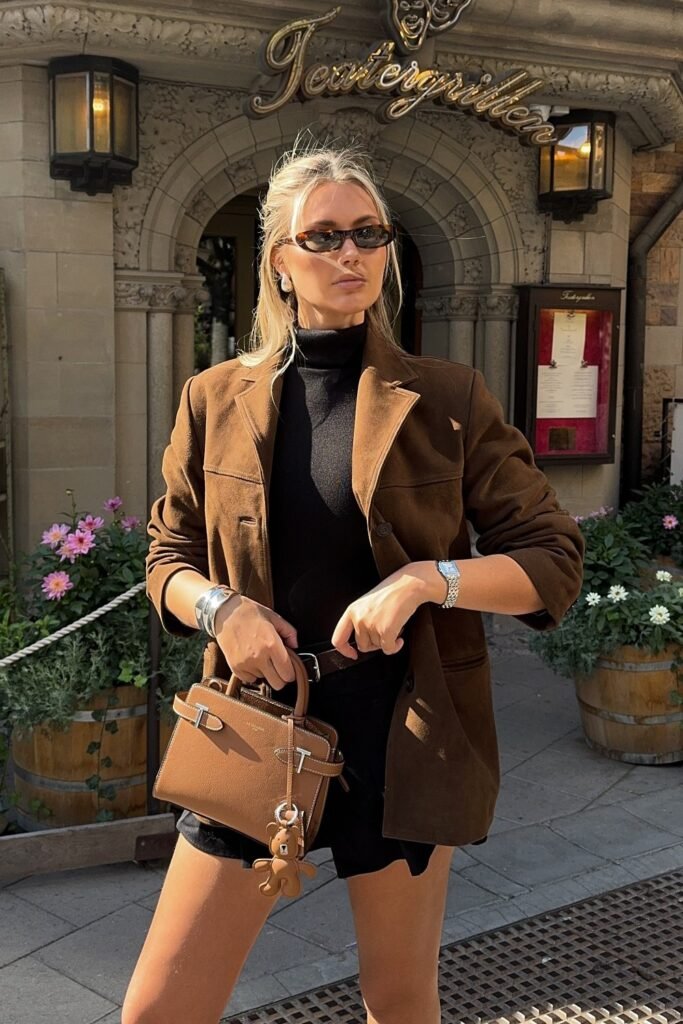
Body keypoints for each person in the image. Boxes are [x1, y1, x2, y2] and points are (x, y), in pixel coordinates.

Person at [123, 140, 584, 1024]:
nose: (349, 254)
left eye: (367, 234)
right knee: (161, 1009)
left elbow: (551, 559)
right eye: (324, 236)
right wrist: (221, 610)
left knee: (398, 1000)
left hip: (402, 737)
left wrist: (427, 580)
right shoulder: (213, 396)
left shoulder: (446, 397)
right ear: (280, 262)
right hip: (257, 728)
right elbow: (165, 556)